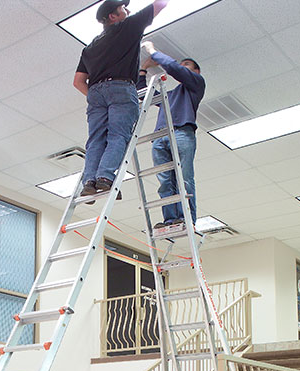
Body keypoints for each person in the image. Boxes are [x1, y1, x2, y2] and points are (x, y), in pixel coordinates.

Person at [73, 0, 171, 201]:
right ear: (113, 16)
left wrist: (96, 97)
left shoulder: (89, 48)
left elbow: (78, 82)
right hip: (120, 87)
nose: (128, 10)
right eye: (123, 8)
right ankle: (105, 177)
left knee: (96, 139)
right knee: (118, 134)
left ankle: (89, 181)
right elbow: (160, 4)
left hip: (95, 92)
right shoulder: (127, 26)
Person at [138, 41, 205, 229]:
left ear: (196, 72)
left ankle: (186, 218)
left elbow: (175, 69)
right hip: (160, 136)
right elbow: (143, 94)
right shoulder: (169, 95)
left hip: (182, 132)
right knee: (165, 181)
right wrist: (143, 69)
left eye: (187, 65)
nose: (182, 67)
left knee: (184, 178)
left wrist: (152, 51)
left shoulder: (196, 85)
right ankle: (170, 219)